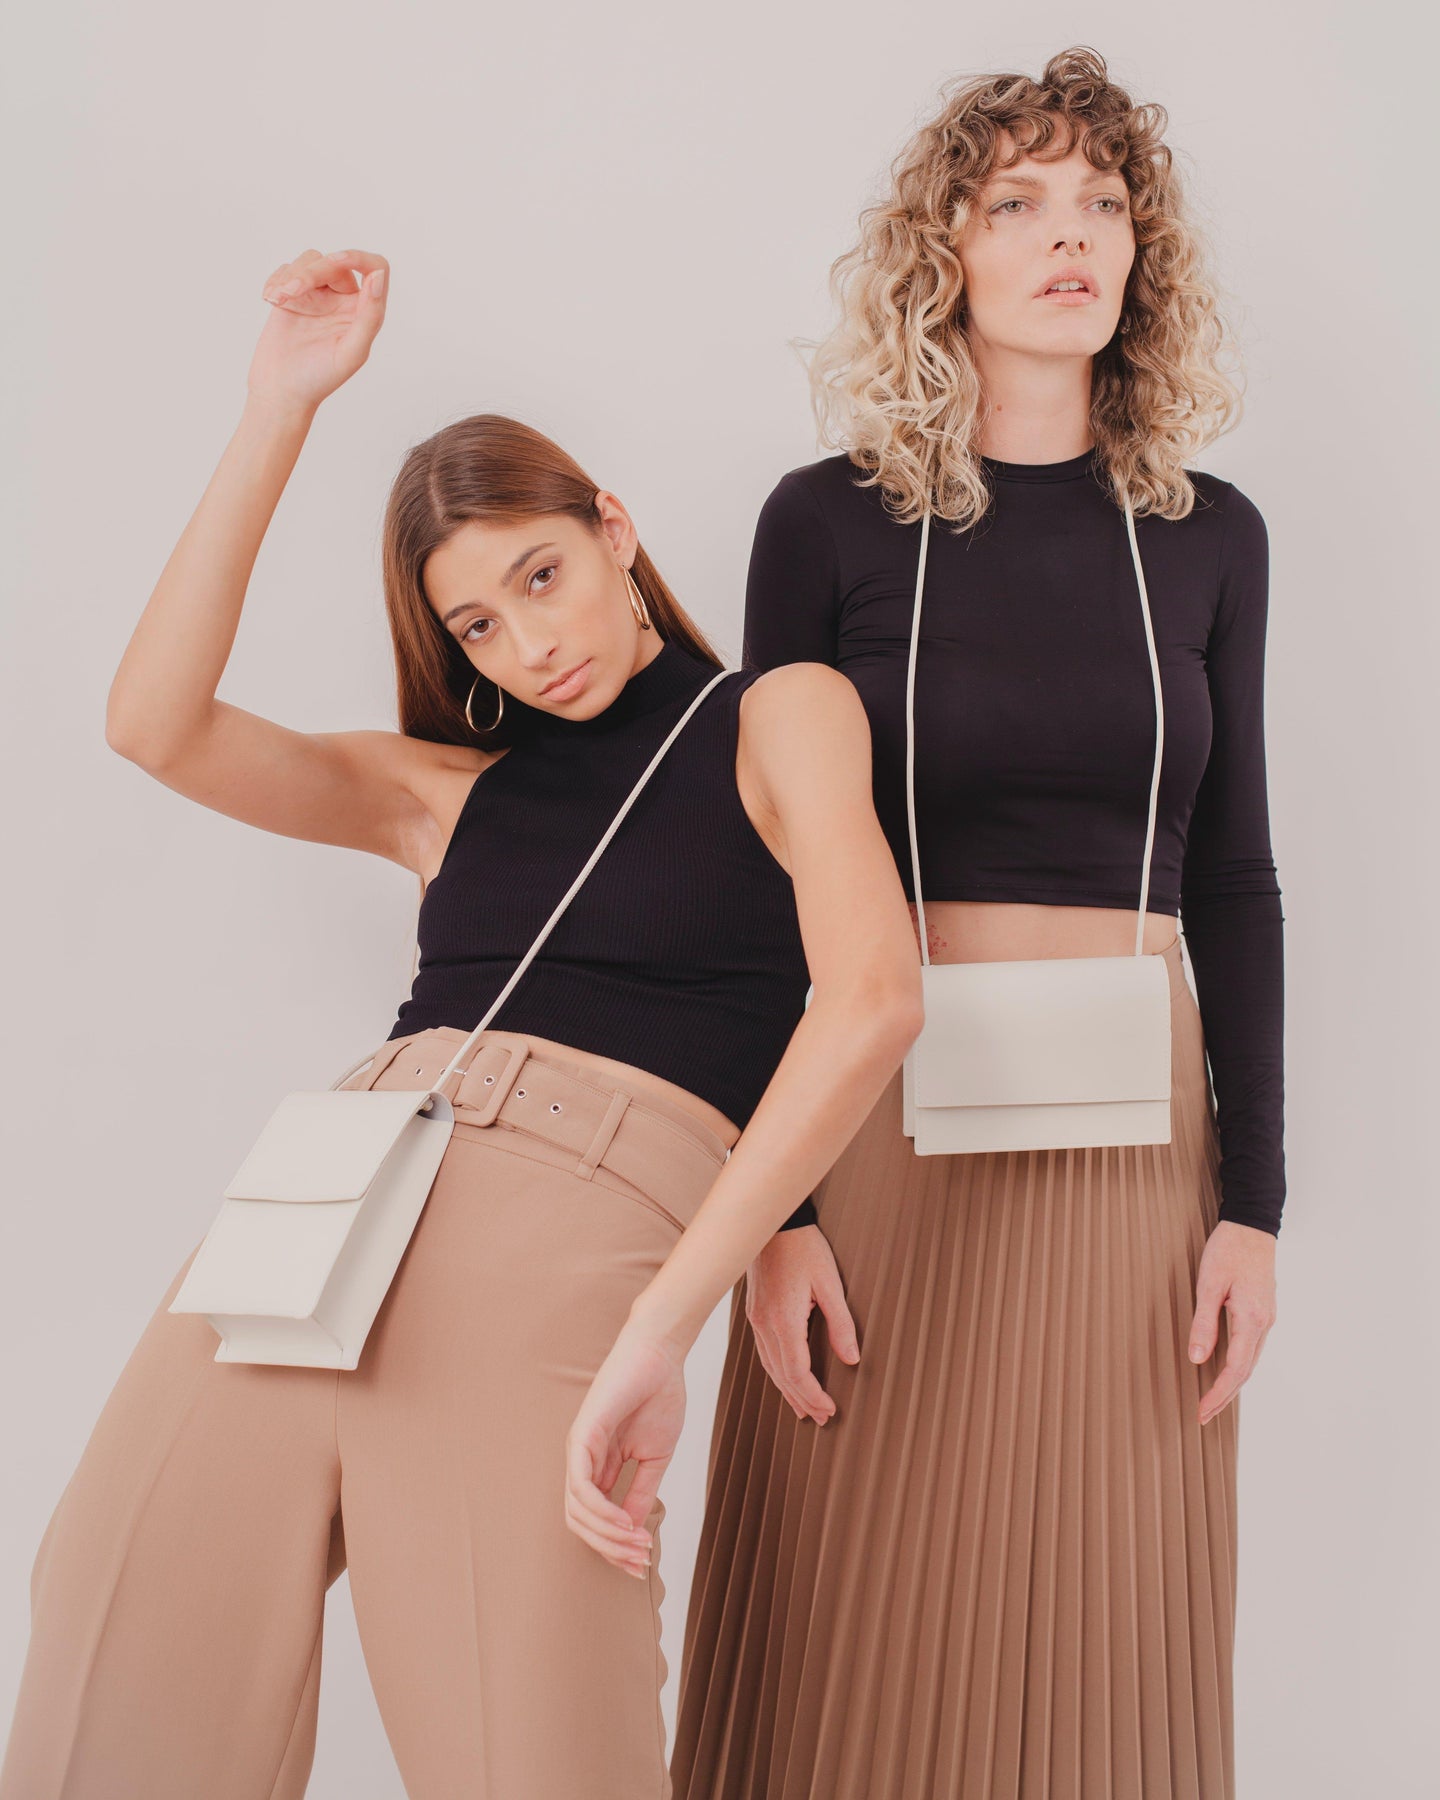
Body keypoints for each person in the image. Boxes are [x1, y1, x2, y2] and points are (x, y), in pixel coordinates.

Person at [0, 247, 922, 1800]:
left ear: (614, 528)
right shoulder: (444, 790)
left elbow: (874, 1000)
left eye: (540, 577)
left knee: (528, 1735)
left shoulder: (778, 714)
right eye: (478, 627)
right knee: (115, 1633)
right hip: (326, 1198)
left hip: (573, 1221)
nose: (528, 644)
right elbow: (152, 724)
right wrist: (279, 406)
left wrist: (678, 1308)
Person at [672, 47, 1282, 1800]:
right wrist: (776, 1211)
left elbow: (1235, 878)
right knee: (858, 1574)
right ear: (943, 249)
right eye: (1017, 201)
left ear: (1144, 253)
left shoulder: (1213, 537)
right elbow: (763, 881)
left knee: (1112, 1587)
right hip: (878, 1113)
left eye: (1103, 203)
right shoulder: (826, 523)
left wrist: (1257, 1206)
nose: (1069, 235)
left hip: (1133, 1138)